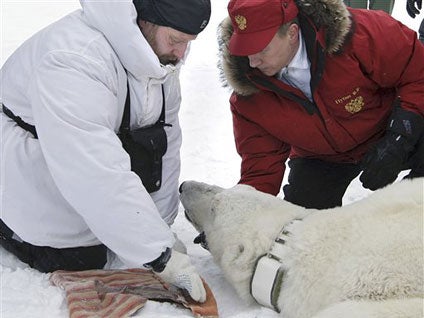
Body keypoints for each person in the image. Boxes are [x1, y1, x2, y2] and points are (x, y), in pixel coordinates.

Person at [0, 0, 211, 302]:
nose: (180, 55)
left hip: (85, 164)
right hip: (28, 170)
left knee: (122, 243)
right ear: (144, 22)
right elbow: (92, 169)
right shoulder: (73, 60)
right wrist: (159, 255)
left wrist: (161, 229)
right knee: (76, 258)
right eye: (176, 41)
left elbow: (164, 145)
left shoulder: (160, 56)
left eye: (187, 44)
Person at [217, 0, 424, 209]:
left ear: (292, 33)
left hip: (388, 128)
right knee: (303, 223)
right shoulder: (250, 94)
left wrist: (399, 138)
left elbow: (417, 72)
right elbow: (261, 168)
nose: (253, 62)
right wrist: (238, 216)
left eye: (261, 49)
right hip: (322, 157)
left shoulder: (360, 33)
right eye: (245, 49)